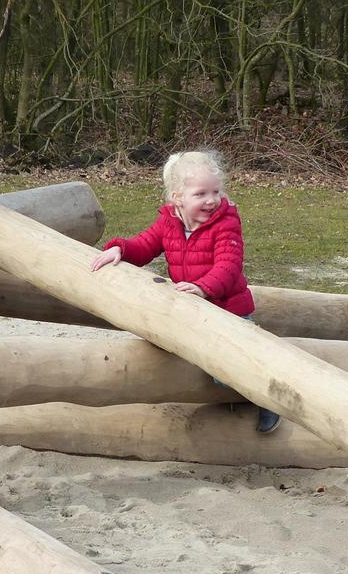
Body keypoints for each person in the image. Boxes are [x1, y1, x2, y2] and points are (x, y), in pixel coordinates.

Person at [89, 151, 281, 433]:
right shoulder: (170, 221)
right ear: (178, 197)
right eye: (201, 193)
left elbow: (229, 266)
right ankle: (238, 394)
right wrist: (120, 248)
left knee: (228, 368)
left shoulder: (226, 223)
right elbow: (145, 245)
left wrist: (204, 288)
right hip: (193, 310)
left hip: (227, 310)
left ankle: (267, 399)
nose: (211, 200)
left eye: (216, 192)